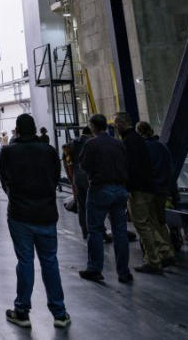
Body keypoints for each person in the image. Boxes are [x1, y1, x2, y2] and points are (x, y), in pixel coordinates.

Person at [0, 114, 69, 330]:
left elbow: (4, 180)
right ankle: (60, 313)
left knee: (25, 262)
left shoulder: (8, 152)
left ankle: (22, 312)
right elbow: (55, 177)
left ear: (17, 131)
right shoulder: (49, 151)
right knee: (50, 262)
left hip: (20, 215)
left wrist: (16, 197)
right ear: (36, 129)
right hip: (46, 214)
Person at [79, 113, 132, 284]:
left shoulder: (91, 144)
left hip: (100, 189)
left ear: (93, 126)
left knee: (95, 229)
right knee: (120, 232)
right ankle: (124, 272)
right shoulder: (119, 143)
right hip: (120, 190)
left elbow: (84, 165)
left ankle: (95, 268)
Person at [114, 113, 169, 274]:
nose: (115, 127)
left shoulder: (127, 142)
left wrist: (127, 187)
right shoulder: (139, 140)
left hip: (137, 190)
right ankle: (165, 251)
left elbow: (130, 167)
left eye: (116, 124)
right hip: (150, 188)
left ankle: (153, 260)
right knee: (150, 223)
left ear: (120, 123)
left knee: (142, 225)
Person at [136, 121, 177, 268]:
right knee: (160, 222)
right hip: (163, 190)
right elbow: (170, 169)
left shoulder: (144, 148)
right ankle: (168, 252)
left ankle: (160, 253)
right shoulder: (162, 146)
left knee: (149, 223)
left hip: (150, 190)